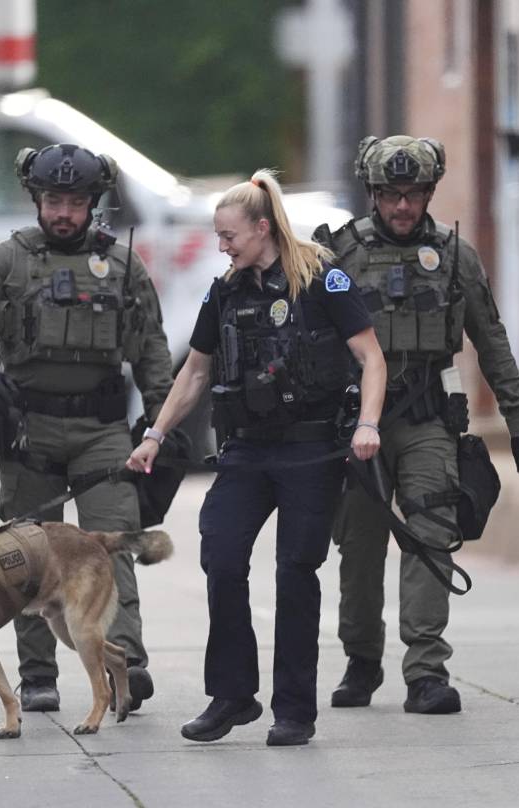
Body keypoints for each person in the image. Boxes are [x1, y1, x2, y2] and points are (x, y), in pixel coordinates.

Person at [127, 169, 386, 746]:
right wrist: (155, 433)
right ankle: (232, 696)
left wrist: (367, 425)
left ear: (262, 228)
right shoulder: (225, 291)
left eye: (229, 236)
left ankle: (294, 709)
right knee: (220, 554)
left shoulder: (325, 280)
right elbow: (194, 370)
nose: (221, 247)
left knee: (295, 572)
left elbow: (371, 357)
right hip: (246, 449)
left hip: (312, 450)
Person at [319, 136, 519, 716]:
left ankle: (425, 671)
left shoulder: (454, 256)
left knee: (430, 531)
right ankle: (361, 659)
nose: (402, 207)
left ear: (429, 193)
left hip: (425, 418)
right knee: (361, 545)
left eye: (414, 194)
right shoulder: (336, 255)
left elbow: (491, 342)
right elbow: (310, 341)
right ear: (372, 193)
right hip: (357, 420)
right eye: (391, 194)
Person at [0, 143, 174, 713]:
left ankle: (126, 664)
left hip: (103, 430)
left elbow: (150, 348)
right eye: (54, 200)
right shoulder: (7, 260)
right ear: (36, 199)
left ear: (94, 203)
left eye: (76, 201)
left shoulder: (123, 265)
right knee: (23, 555)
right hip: (29, 427)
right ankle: (39, 675)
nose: (64, 212)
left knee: (113, 546)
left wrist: (164, 420)